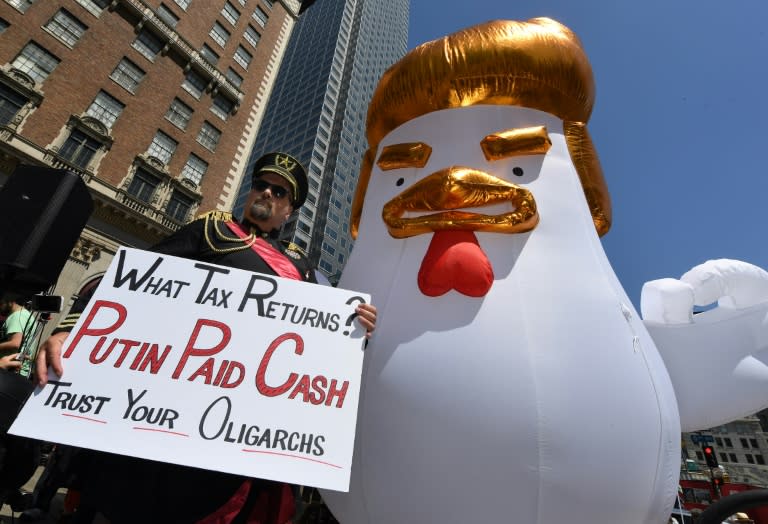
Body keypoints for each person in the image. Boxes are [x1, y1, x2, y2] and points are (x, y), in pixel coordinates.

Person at [34, 152, 377, 524]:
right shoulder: (211, 231)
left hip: (243, 423)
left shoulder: (301, 268)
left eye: (279, 192)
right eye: (260, 185)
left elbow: (319, 342)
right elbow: (130, 282)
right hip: (170, 407)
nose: (266, 193)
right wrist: (70, 329)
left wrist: (356, 326)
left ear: (288, 211)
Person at [0, 295, 37, 377]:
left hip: (10, 370)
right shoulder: (24, 314)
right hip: (16, 369)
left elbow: (15, 344)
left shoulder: (17, 316)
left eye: (0, 303)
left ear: (9, 301)